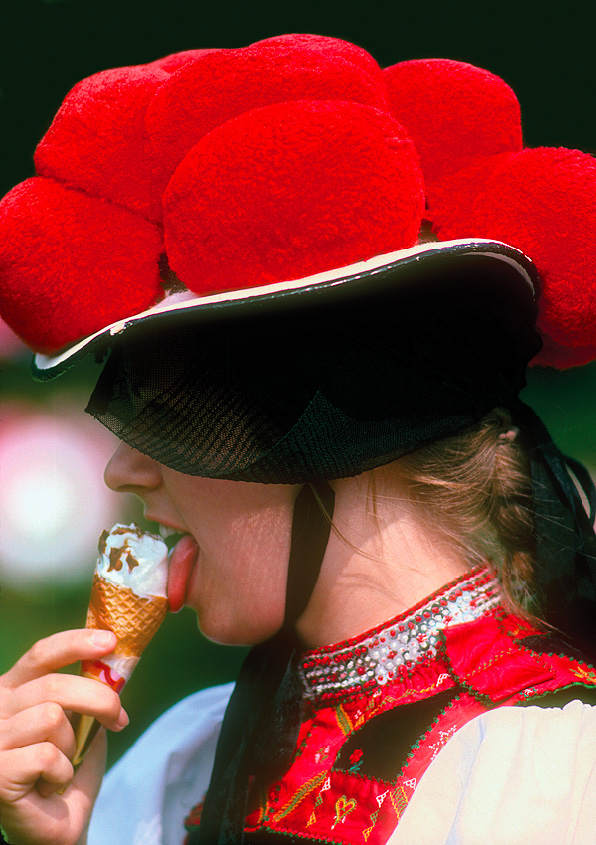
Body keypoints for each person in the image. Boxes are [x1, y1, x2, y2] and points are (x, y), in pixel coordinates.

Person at [1, 33, 596, 845]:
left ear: (323, 431)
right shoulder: (185, 756)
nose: (121, 468)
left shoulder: (551, 776)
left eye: (171, 409)